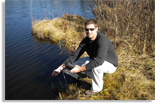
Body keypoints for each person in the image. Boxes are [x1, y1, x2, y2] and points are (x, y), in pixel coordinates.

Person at [52, 19, 118, 95]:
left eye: (91, 29)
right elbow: (73, 57)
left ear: (96, 29)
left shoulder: (102, 40)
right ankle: (90, 74)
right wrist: (60, 68)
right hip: (95, 59)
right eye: (87, 29)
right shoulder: (85, 41)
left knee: (97, 67)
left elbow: (99, 61)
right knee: (74, 63)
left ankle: (96, 89)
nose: (89, 31)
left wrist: (79, 69)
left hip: (110, 64)